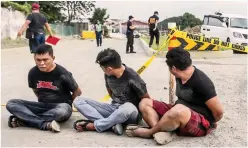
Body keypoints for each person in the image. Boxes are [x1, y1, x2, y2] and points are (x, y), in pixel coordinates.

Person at [125, 48, 224, 143]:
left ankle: (150, 132)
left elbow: (219, 112)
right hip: (177, 111)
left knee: (178, 110)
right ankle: (161, 131)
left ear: (174, 68)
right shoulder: (179, 75)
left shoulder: (202, 83)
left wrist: (211, 122)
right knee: (144, 103)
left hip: (199, 121)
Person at [6, 44, 82, 132]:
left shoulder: (62, 73)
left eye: (45, 60)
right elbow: (35, 90)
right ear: (34, 58)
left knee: (62, 111)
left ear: (53, 58)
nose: (41, 63)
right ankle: (44, 124)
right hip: (42, 106)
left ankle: (25, 119)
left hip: (60, 106)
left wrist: (69, 103)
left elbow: (78, 92)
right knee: (11, 103)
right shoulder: (33, 73)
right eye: (38, 60)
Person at [73, 48, 150, 135]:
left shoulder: (133, 77)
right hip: (113, 109)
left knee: (127, 107)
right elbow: (111, 94)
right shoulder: (108, 75)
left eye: (102, 68)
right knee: (78, 100)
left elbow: (146, 101)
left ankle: (95, 125)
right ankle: (110, 125)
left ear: (109, 69)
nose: (102, 70)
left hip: (131, 113)